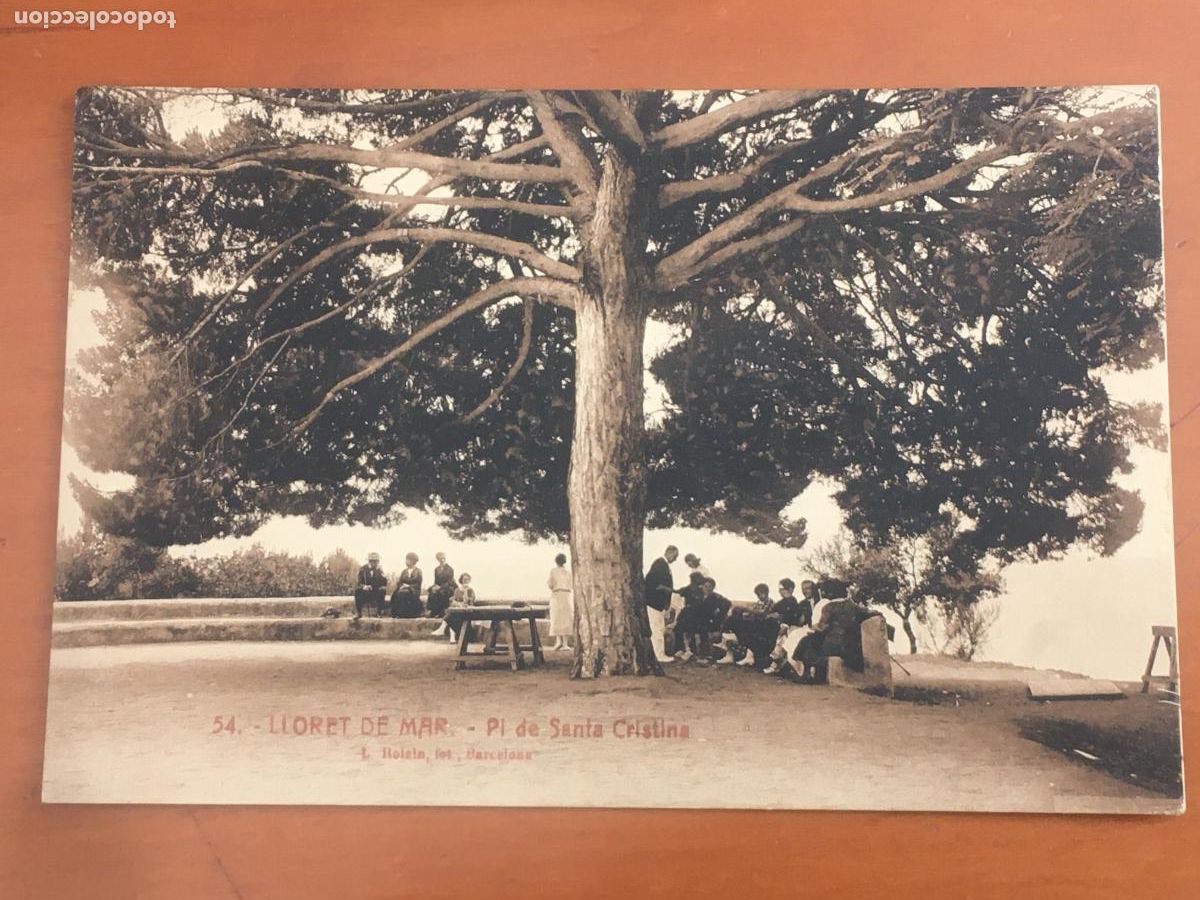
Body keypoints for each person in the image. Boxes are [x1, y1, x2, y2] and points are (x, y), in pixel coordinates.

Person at [791, 586, 883, 683]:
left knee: (807, 641)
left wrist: (813, 628)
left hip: (832, 645)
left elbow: (821, 627)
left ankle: (808, 674)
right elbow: (870, 613)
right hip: (849, 647)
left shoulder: (828, 606)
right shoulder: (854, 607)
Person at [675, 577, 730, 662]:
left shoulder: (716, 598)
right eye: (705, 586)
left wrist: (718, 613)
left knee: (699, 629)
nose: (707, 589)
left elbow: (727, 604)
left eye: (710, 586)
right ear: (702, 586)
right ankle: (686, 649)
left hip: (708, 622)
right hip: (696, 620)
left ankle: (698, 653)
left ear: (713, 587)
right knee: (682, 623)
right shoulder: (698, 596)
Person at [644, 545, 679, 663]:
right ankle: (659, 655)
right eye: (675, 556)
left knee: (658, 629)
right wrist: (668, 589)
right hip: (654, 603)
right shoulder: (660, 564)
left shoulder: (662, 565)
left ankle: (657, 653)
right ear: (669, 552)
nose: (675, 559)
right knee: (657, 630)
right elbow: (653, 583)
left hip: (657, 604)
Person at [547, 553, 573, 652]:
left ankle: (559, 640)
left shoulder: (553, 571)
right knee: (566, 617)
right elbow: (571, 584)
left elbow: (550, 584)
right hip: (566, 595)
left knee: (556, 617)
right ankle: (565, 643)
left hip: (557, 595)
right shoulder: (568, 572)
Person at [442, 572, 477, 643]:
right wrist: (458, 604)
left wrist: (466, 591)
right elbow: (453, 601)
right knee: (450, 617)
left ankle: (455, 635)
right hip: (459, 610)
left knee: (452, 617)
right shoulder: (457, 590)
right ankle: (452, 637)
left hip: (468, 611)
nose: (466, 581)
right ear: (461, 581)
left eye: (467, 580)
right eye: (464, 579)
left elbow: (470, 602)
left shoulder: (471, 590)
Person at [353, 552, 388, 619]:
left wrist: (383, 574)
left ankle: (379, 612)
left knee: (383, 590)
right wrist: (364, 586)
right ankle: (359, 613)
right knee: (357, 591)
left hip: (375, 592)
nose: (376, 563)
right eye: (374, 562)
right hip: (366, 593)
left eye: (377, 562)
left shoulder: (379, 570)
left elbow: (384, 583)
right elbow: (359, 583)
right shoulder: (363, 569)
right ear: (370, 561)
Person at [390, 553, 424, 618]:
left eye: (408, 560)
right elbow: (400, 582)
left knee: (403, 593)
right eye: (406, 560)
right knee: (397, 593)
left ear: (413, 561)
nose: (406, 561)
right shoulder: (404, 571)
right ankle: (398, 613)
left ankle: (404, 614)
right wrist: (402, 585)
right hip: (403, 588)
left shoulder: (418, 571)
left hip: (414, 590)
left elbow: (418, 582)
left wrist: (408, 586)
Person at [427, 552, 455, 618]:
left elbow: (450, 582)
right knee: (432, 592)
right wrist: (435, 586)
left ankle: (441, 612)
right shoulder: (436, 569)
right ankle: (433, 611)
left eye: (443, 558)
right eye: (440, 559)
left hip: (448, 587)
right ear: (438, 560)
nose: (442, 560)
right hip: (439, 587)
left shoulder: (450, 569)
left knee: (441, 592)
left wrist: (440, 587)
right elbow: (436, 581)